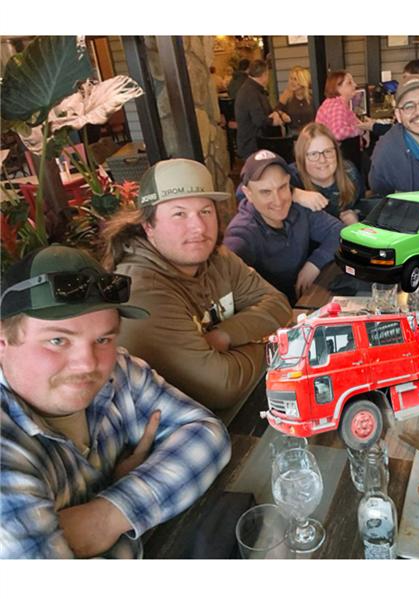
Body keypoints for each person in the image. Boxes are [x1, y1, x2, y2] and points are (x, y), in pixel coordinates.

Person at [0, 245, 231, 558]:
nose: (87, 364)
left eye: (102, 339)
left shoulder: (118, 370)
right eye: (58, 340)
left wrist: (110, 513)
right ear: (3, 342)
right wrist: (143, 500)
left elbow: (207, 433)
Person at [101, 158, 291, 412]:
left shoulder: (217, 258)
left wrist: (225, 335)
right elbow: (222, 386)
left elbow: (278, 302)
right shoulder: (141, 291)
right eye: (179, 214)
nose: (199, 227)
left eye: (205, 211)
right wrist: (283, 344)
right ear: (148, 226)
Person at [223, 150, 344, 305]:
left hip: (307, 302)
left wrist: (314, 264)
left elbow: (340, 231)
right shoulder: (243, 233)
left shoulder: (298, 208)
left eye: (282, 187)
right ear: (248, 194)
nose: (278, 201)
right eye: (266, 192)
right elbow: (225, 273)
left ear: (289, 183)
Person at [289, 122, 372, 225]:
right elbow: (268, 194)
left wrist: (356, 216)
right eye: (313, 154)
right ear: (302, 158)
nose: (322, 160)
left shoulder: (349, 172)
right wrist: (293, 193)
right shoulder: (292, 176)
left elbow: (362, 202)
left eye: (328, 152)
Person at [315, 70, 375, 171]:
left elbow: (354, 121)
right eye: (349, 82)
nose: (355, 85)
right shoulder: (337, 106)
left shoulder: (337, 104)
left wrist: (363, 128)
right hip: (341, 158)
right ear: (337, 87)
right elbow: (338, 132)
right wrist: (361, 131)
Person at [234, 59, 284, 159]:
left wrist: (276, 114)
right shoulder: (250, 92)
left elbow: (266, 111)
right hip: (252, 145)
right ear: (264, 74)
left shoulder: (252, 89)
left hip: (255, 143)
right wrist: (274, 121)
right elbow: (259, 120)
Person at [274, 66, 315, 134]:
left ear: (302, 81)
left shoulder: (311, 97)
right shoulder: (287, 95)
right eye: (291, 78)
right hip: (292, 133)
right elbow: (277, 109)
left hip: (309, 133)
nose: (292, 82)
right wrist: (283, 114)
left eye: (295, 79)